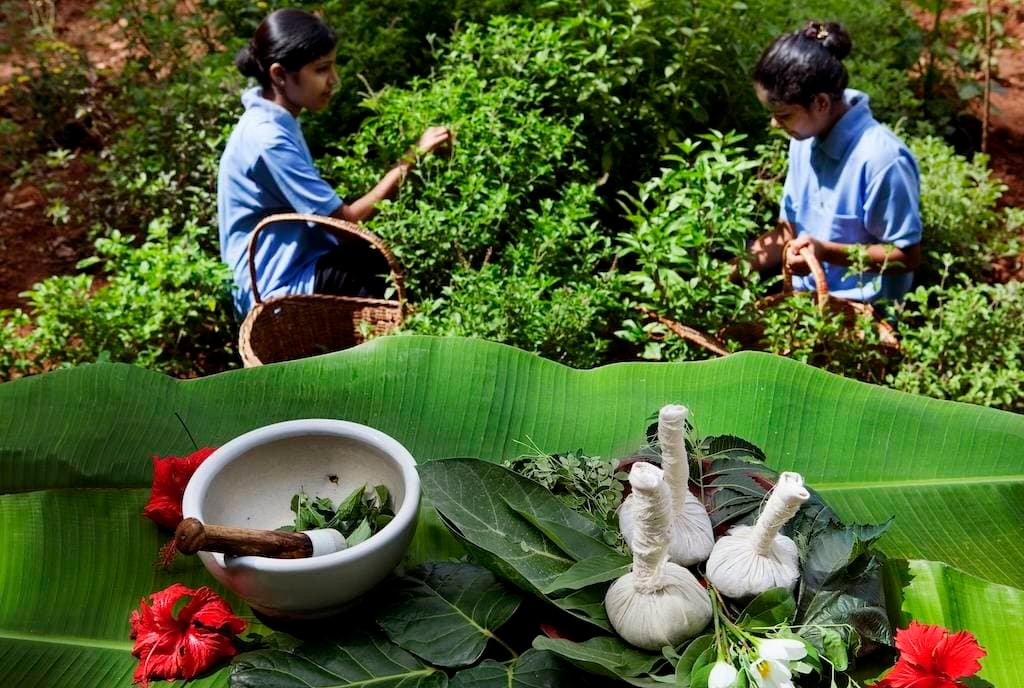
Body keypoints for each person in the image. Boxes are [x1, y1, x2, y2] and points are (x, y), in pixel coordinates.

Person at [218, 8, 451, 318]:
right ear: (279, 75)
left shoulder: (276, 120)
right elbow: (346, 224)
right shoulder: (267, 139)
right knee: (367, 266)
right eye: (321, 70)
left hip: (296, 266)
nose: (333, 80)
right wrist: (411, 159)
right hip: (273, 288)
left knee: (367, 258)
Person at [745, 21, 922, 304]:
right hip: (806, 304)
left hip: (862, 316)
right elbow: (788, 231)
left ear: (821, 103)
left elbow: (907, 256)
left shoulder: (881, 160)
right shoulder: (803, 140)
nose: (775, 124)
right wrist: (726, 272)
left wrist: (825, 252)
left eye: (784, 115)